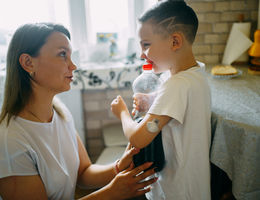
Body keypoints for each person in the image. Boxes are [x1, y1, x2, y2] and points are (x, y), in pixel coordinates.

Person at [0, 22, 158, 200]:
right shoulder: (10, 141)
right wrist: (111, 193)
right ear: (28, 63)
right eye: (62, 55)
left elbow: (83, 173)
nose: (73, 65)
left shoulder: (60, 113)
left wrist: (119, 166)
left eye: (70, 55)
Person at [111, 1, 211, 199]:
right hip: (193, 185)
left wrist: (122, 112)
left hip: (178, 191)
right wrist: (152, 100)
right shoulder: (195, 73)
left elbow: (139, 138)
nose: (142, 54)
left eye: (146, 45)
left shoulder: (177, 85)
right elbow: (177, 105)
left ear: (175, 41)